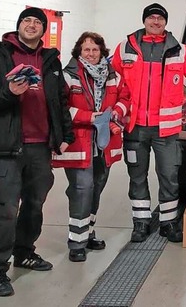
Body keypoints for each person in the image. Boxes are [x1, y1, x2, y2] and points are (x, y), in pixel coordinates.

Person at [0, 7, 74, 297]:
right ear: (18, 25)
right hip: (9, 148)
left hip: (41, 147)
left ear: (44, 30)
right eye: (26, 20)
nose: (31, 25)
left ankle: (24, 252)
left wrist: (64, 136)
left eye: (37, 22)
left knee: (34, 204)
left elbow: (60, 101)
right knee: (5, 209)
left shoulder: (51, 61)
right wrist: (10, 93)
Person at [112, 3, 186, 244]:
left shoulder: (179, 50)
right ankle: (141, 223)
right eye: (152, 18)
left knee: (169, 176)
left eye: (160, 18)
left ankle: (169, 223)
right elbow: (113, 81)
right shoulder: (125, 49)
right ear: (144, 20)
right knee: (137, 176)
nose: (156, 22)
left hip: (166, 129)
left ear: (165, 22)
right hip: (134, 127)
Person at [52, 32, 130, 262]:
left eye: (95, 49)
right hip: (79, 141)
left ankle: (87, 232)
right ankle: (76, 242)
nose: (91, 53)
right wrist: (90, 116)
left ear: (102, 52)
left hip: (104, 143)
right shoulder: (68, 76)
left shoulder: (113, 76)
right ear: (79, 52)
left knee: (97, 186)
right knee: (82, 187)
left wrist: (116, 111)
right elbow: (60, 107)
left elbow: (125, 98)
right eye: (86, 49)